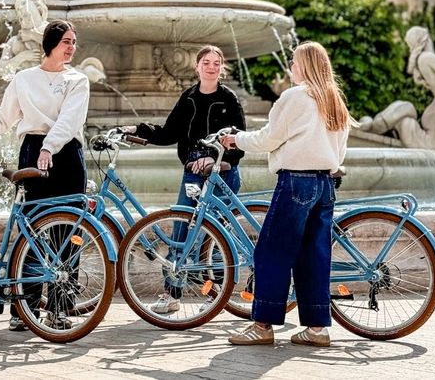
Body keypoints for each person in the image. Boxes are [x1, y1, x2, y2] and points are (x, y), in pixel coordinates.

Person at [0, 19, 89, 331]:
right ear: (51, 43)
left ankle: (60, 309)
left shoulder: (78, 80)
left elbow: (70, 118)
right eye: (66, 41)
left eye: (74, 42)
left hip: (66, 154)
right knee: (31, 233)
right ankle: (23, 308)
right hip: (33, 152)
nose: (72, 47)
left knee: (68, 235)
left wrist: (50, 147)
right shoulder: (24, 79)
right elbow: (1, 120)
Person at [221, 42, 351, 346]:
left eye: (293, 62)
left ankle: (263, 326)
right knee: (314, 256)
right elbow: (340, 149)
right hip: (325, 184)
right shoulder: (334, 99)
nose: (290, 67)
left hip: (296, 183)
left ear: (304, 66)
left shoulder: (294, 97)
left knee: (271, 252)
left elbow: (269, 138)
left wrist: (235, 139)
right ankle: (317, 329)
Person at [122, 45, 246, 314]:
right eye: (206, 62)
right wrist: (137, 129)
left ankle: (216, 295)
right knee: (180, 233)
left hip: (222, 175)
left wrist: (218, 159)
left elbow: (240, 142)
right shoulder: (188, 97)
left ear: (221, 67)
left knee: (214, 240)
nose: (211, 67)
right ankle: (172, 293)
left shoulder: (229, 99)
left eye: (216, 63)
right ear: (197, 67)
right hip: (192, 174)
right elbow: (168, 132)